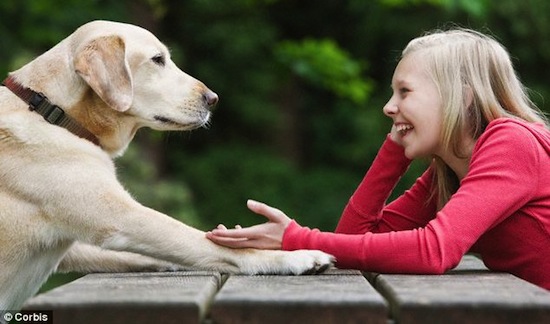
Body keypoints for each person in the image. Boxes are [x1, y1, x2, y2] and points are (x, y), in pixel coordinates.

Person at [205, 28, 550, 290]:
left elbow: (434, 250)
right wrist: (395, 150)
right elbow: (354, 238)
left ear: (461, 95)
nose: (388, 106)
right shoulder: (449, 172)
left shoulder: (512, 143)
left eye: (405, 91)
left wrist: (296, 239)